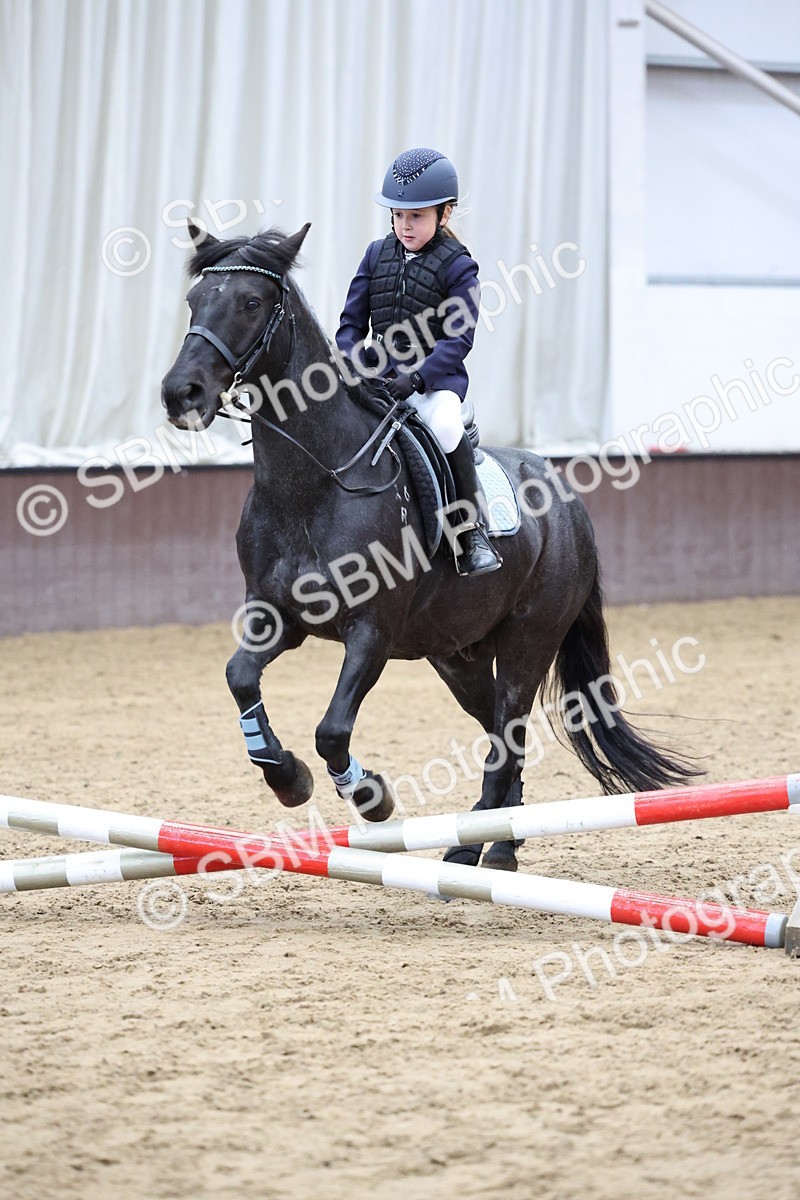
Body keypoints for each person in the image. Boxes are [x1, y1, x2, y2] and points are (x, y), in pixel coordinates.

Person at [336, 147, 501, 577]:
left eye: (417, 216)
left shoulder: (459, 267)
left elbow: (459, 338)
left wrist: (419, 378)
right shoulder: (376, 255)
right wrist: (356, 362)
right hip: (380, 382)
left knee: (445, 426)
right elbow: (350, 325)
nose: (404, 226)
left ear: (444, 215)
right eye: (398, 215)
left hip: (434, 384)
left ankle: (471, 532)